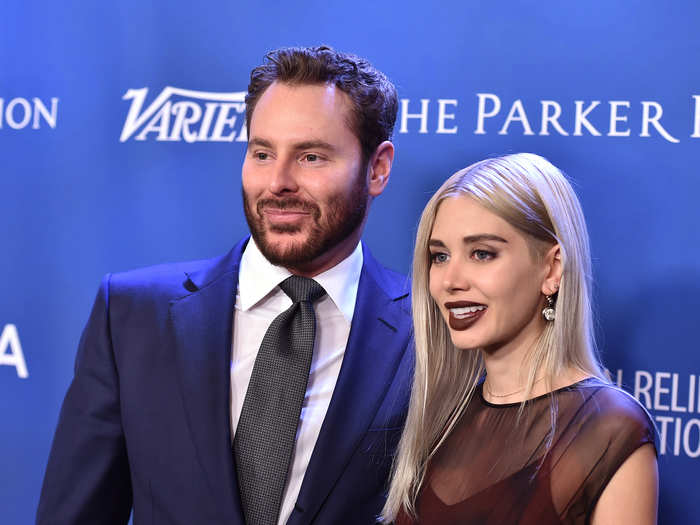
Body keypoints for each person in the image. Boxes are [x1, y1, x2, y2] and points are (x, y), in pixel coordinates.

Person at [37, 46, 413, 525]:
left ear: (377, 168)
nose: (277, 182)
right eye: (262, 153)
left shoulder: (428, 334)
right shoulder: (132, 316)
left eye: (311, 156)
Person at [382, 153, 658, 524]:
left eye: (482, 253)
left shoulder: (608, 430)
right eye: (440, 256)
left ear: (552, 268)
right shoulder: (439, 419)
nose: (450, 281)